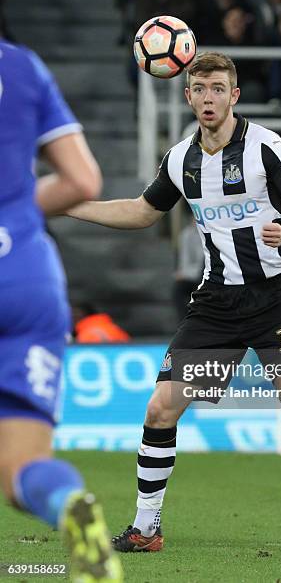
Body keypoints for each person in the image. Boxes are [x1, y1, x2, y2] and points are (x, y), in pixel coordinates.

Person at [66, 52, 281, 557]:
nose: (209, 98)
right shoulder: (180, 159)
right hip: (217, 304)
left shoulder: (265, 147)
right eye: (200, 90)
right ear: (188, 96)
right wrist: (69, 204)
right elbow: (141, 212)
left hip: (277, 297)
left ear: (233, 95)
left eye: (219, 88)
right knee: (159, 408)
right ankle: (146, 529)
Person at [0, 37, 123, 582]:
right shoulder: (23, 65)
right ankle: (69, 504)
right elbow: (82, 181)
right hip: (27, 273)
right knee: (21, 468)